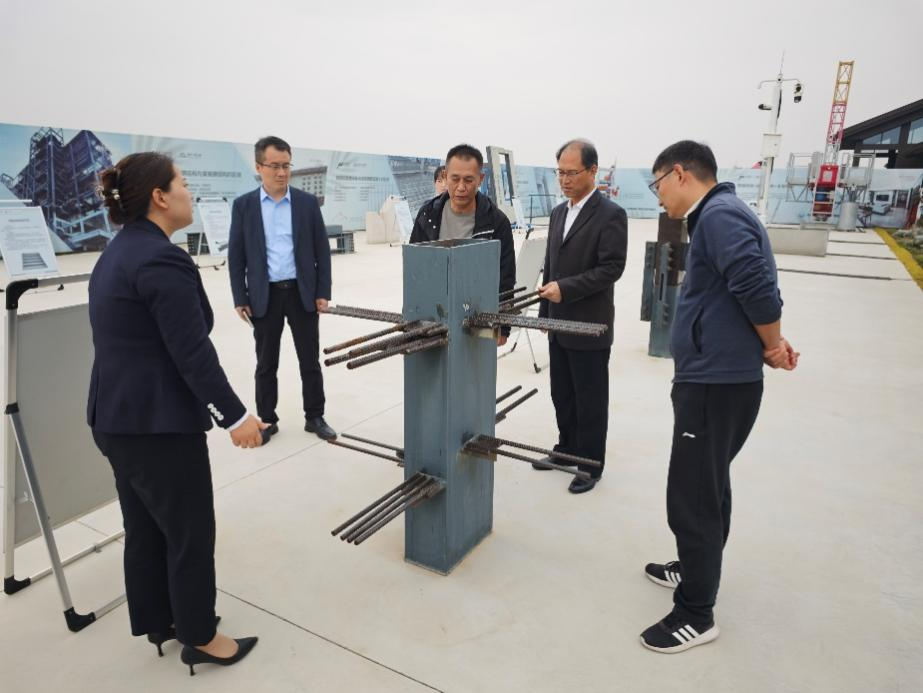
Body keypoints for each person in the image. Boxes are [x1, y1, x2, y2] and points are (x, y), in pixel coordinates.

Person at [89, 152, 264, 674]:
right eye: (183, 183)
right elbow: (191, 352)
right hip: (158, 427)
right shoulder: (160, 260)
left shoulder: (119, 251)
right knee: (189, 532)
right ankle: (200, 635)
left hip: (116, 419)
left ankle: (161, 619)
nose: (190, 192)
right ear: (160, 197)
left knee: (146, 527)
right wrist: (235, 417)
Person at [640, 140, 799, 654]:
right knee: (708, 484)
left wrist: (771, 344)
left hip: (715, 386)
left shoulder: (718, 216)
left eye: (657, 184)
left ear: (679, 174)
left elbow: (757, 286)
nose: (658, 196)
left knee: (692, 497)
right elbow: (744, 291)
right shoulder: (720, 214)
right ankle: (695, 569)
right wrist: (770, 343)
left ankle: (696, 612)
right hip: (717, 380)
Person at [228, 136, 336, 442]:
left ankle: (314, 416)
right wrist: (240, 297)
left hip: (302, 294)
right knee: (266, 363)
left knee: (309, 361)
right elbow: (236, 256)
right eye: (274, 166)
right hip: (264, 296)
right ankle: (267, 419)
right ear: (259, 167)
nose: (281, 172)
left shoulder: (306, 203)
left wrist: (322, 292)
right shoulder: (244, 206)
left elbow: (321, 251)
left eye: (286, 165)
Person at [536, 139, 628, 494]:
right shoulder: (559, 212)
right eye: (560, 172)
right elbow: (551, 265)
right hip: (559, 323)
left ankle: (590, 465)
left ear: (593, 171)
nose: (564, 179)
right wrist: (546, 314)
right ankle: (566, 449)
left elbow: (611, 268)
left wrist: (567, 289)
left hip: (589, 324)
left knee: (590, 399)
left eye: (571, 172)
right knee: (562, 393)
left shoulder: (610, 214)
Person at [410, 144, 515, 346]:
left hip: (478, 316)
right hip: (432, 315)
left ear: (480, 179)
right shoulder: (427, 215)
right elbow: (414, 269)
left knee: (473, 365)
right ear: (445, 176)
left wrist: (503, 327)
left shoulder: (497, 222)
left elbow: (505, 277)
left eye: (468, 180)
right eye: (455, 178)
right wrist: (413, 316)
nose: (461, 187)